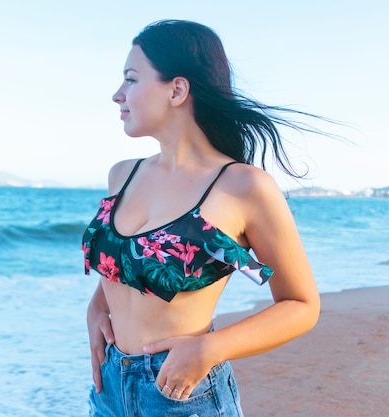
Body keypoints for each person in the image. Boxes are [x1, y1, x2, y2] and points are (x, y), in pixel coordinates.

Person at [81, 19, 322, 416]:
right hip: (108, 390)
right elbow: (124, 261)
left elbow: (301, 304)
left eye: (131, 79)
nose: (117, 95)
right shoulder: (122, 174)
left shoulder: (242, 186)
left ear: (177, 89)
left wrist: (211, 347)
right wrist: (97, 308)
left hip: (183, 394)